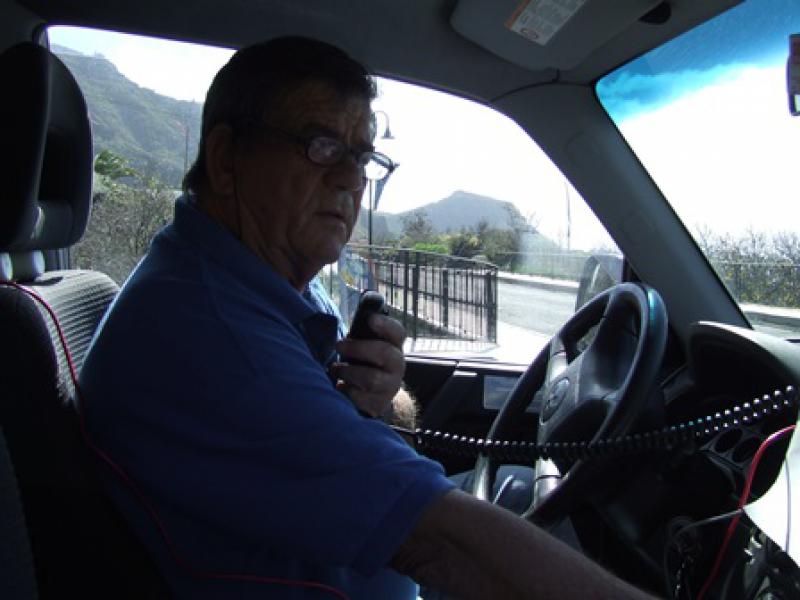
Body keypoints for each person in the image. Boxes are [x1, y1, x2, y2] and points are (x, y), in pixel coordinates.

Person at [80, 36, 654, 599]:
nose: (352, 179)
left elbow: (370, 435)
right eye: (321, 146)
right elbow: (438, 543)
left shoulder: (274, 287)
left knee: (523, 489)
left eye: (362, 157)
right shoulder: (210, 328)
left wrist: (382, 398)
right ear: (226, 159)